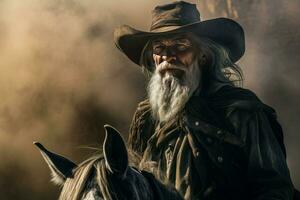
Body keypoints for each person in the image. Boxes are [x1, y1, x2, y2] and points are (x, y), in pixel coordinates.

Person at [114, 1, 295, 199]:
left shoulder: (241, 111)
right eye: (159, 47)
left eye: (180, 44)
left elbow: (275, 189)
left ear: (204, 56)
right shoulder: (146, 119)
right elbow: (135, 186)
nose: (167, 55)